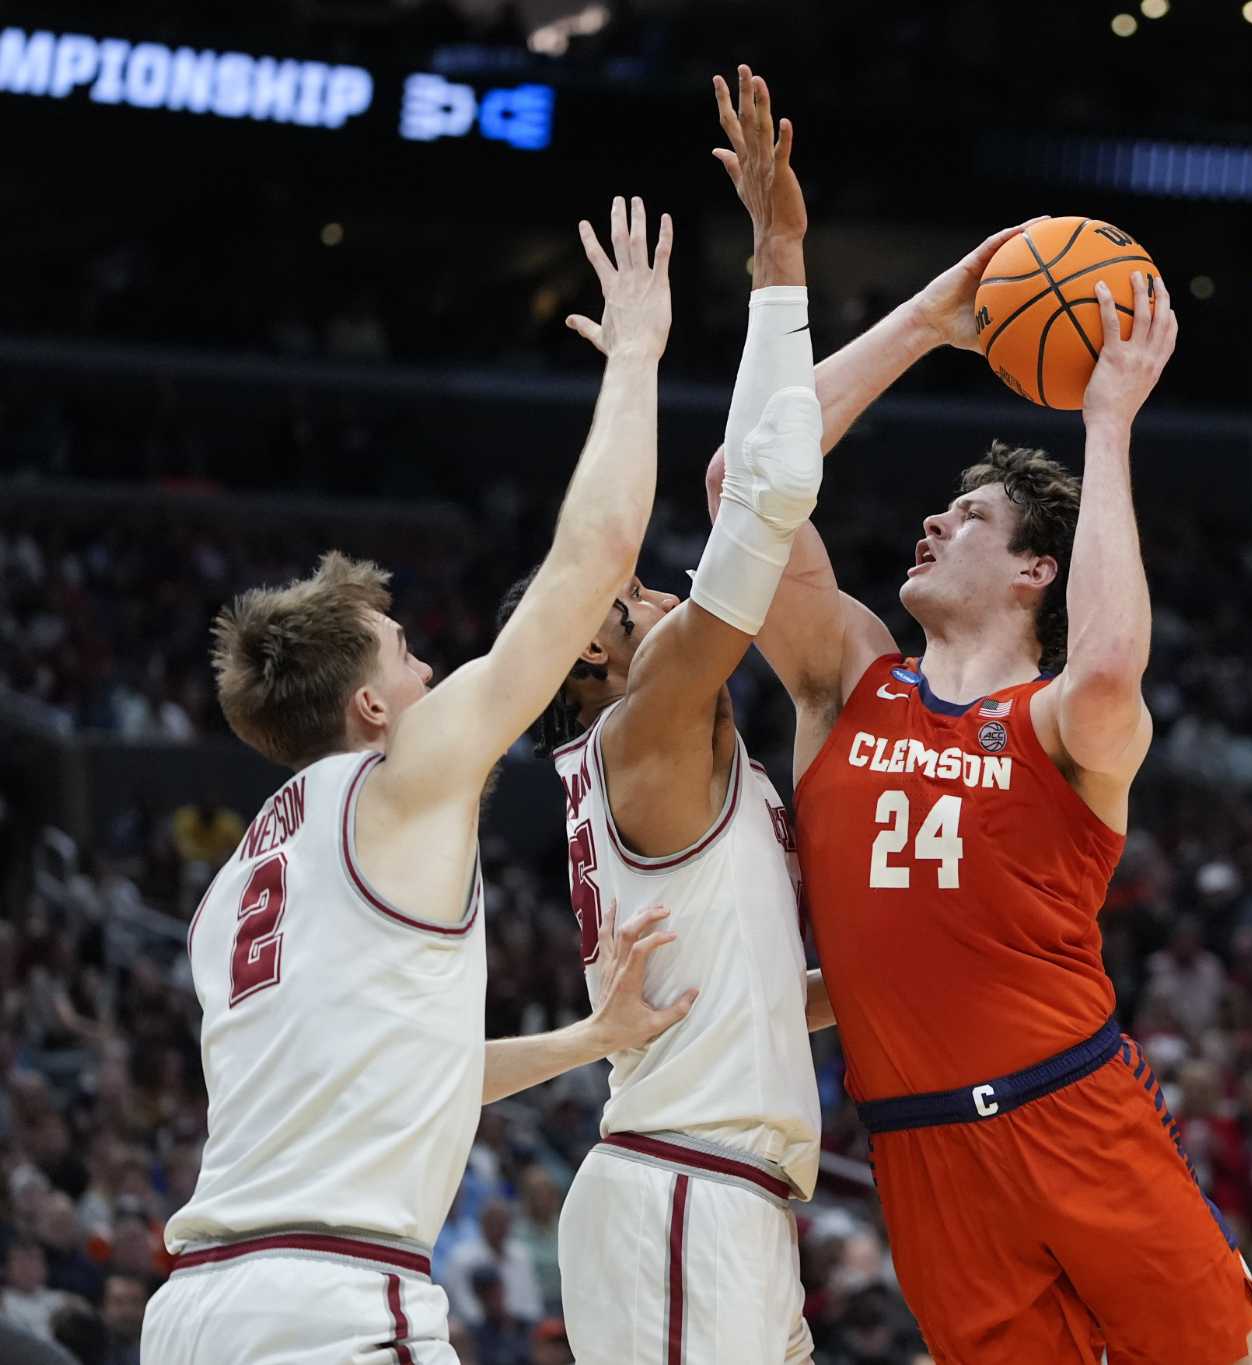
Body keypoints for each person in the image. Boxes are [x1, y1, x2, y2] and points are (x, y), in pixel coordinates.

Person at [140, 196, 699, 1364]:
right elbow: (591, 563)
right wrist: (639, 357)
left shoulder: (232, 894)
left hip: (197, 1311)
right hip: (336, 1305)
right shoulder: (398, 781)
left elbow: (408, 1080)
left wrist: (590, 1038)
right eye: (410, 656)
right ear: (373, 707)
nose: (437, 669)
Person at [709, 219, 1252, 1361]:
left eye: (969, 514)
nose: (930, 520)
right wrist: (924, 321)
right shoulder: (846, 679)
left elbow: (1111, 662)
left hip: (1073, 1108)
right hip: (918, 1148)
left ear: (1036, 572)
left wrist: (1106, 420)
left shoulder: (1065, 722)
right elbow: (742, 486)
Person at [499, 64, 831, 1365]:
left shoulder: (660, 748)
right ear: (583, 650)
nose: (638, 585)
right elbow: (767, 502)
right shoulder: (647, 725)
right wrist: (782, 262)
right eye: (621, 591)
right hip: (684, 1188)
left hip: (705, 1188)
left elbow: (742, 999)